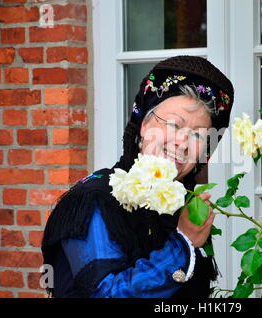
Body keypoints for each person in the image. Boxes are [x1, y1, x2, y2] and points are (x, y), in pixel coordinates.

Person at [41, 56, 234, 298]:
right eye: (174, 125)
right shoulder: (94, 200)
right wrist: (182, 244)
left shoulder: (184, 208)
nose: (182, 142)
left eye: (198, 135)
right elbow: (103, 294)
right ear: (144, 125)